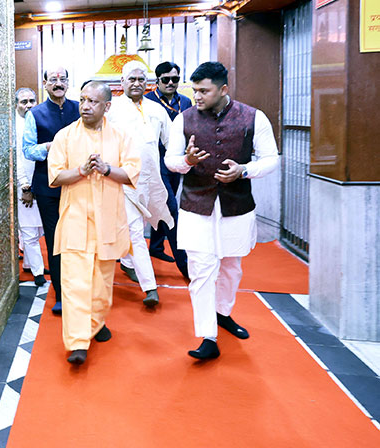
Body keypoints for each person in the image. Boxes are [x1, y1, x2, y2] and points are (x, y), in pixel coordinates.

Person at [165, 61, 279, 360]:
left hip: (237, 205)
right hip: (195, 205)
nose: (197, 96)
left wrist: (244, 170)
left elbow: (271, 159)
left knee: (231, 267)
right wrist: (187, 161)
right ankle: (208, 336)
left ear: (224, 89)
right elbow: (170, 160)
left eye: (204, 91)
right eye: (195, 90)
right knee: (201, 269)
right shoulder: (183, 119)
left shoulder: (253, 117)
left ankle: (223, 313)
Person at [48, 81, 141, 365]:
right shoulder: (65, 136)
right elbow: (55, 177)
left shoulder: (121, 136)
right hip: (76, 220)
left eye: (92, 101)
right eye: (82, 100)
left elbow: (132, 173)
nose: (85, 106)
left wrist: (106, 169)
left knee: (101, 284)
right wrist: (81, 170)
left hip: (108, 221)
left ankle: (96, 323)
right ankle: (78, 342)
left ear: (106, 106)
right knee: (74, 283)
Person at [106, 61, 173, 307]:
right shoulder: (112, 109)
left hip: (151, 181)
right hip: (123, 180)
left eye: (141, 79)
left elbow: (171, 142)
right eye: (131, 79)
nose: (136, 83)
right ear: (122, 82)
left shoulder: (157, 109)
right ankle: (150, 287)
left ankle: (126, 263)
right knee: (136, 232)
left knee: (140, 225)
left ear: (148, 83)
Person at [23, 66, 80, 314]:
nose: (58, 83)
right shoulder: (35, 114)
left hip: (79, 183)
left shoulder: (79, 108)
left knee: (79, 239)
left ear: (68, 82)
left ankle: (80, 289)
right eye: (53, 80)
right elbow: (28, 150)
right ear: (45, 83)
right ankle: (60, 292)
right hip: (48, 187)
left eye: (62, 79)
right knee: (56, 240)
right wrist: (49, 147)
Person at [145, 61, 192, 277]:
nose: (171, 83)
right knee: (171, 207)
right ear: (157, 81)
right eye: (166, 79)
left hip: (178, 160)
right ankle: (185, 264)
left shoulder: (186, 102)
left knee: (165, 203)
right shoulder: (148, 101)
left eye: (175, 79)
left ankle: (156, 247)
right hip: (156, 161)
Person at [15, 88, 46, 286]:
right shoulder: (15, 127)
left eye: (32, 101)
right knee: (29, 230)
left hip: (40, 182)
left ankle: (29, 263)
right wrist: (25, 187)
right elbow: (17, 160)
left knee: (38, 228)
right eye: (23, 102)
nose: (28, 105)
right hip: (24, 185)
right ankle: (38, 272)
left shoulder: (36, 121)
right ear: (16, 104)